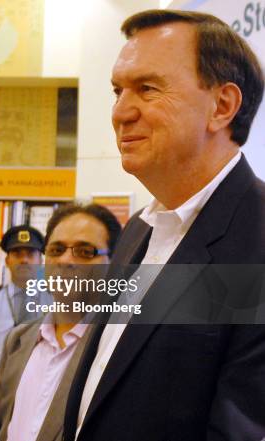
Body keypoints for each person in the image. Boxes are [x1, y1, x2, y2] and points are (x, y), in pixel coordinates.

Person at [62, 10, 265, 441]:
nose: (120, 113)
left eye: (147, 89)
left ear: (223, 106)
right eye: (117, 91)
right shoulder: (137, 230)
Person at [0, 204, 121, 441]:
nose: (66, 260)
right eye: (56, 250)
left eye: (85, 251)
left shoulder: (115, 349)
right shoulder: (17, 341)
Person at [0, 225, 51, 431]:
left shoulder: (54, 301)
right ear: (7, 260)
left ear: (40, 260)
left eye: (30, 253)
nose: (24, 259)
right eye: (17, 253)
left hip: (39, 389)